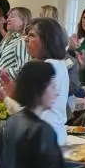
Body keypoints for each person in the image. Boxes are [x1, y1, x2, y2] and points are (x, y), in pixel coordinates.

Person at [23, 17, 71, 145]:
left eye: (32, 35)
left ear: (46, 41)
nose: (26, 39)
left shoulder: (49, 67)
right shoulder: (57, 64)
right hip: (50, 135)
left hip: (46, 138)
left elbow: (29, 108)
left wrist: (7, 98)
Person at [0, 6, 32, 83]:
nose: (7, 20)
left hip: (10, 90)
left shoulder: (22, 41)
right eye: (8, 17)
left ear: (23, 21)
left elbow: (24, 70)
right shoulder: (8, 40)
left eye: (12, 16)